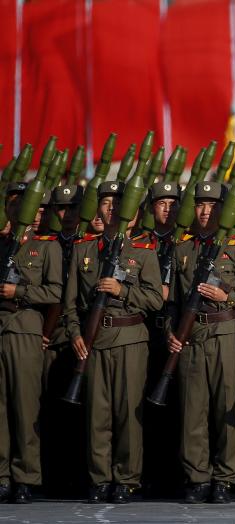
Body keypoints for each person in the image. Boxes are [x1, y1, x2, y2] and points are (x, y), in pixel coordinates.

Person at [64, 181, 163, 504]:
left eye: (116, 203)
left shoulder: (144, 251)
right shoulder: (84, 249)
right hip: (94, 340)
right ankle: (99, 477)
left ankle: (127, 478)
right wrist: (76, 334)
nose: (111, 209)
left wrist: (123, 292)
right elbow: (70, 303)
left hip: (130, 338)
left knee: (127, 413)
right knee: (98, 414)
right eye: (105, 203)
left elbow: (155, 300)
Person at [166, 182, 235, 504]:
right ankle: (197, 477)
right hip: (191, 336)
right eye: (200, 204)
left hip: (225, 332)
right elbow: (172, 299)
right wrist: (171, 332)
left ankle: (225, 478)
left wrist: (227, 296)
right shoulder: (183, 248)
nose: (205, 211)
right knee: (193, 409)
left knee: (226, 409)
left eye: (212, 205)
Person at [0, 182, 62, 504]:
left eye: (36, 207)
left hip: (26, 327)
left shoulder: (46, 246)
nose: (26, 212)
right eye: (17, 205)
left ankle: (25, 476)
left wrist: (19, 292)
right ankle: (1, 477)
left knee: (26, 407)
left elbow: (55, 292)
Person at [40, 184, 85, 497]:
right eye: (60, 208)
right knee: (49, 409)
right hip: (49, 336)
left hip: (82, 335)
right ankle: (52, 476)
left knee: (82, 411)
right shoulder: (46, 244)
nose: (66, 214)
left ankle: (79, 475)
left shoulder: (90, 245)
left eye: (72, 208)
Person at [142, 181, 181, 497]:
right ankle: (149, 473)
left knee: (179, 406)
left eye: (173, 202)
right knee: (146, 406)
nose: (167, 208)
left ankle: (175, 473)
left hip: (178, 333)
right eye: (161, 203)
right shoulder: (141, 244)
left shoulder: (186, 243)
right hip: (146, 331)